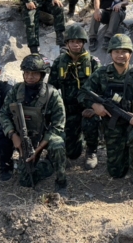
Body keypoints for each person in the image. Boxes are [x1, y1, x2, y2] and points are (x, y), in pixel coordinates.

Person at [78, 34, 133, 192]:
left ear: (130, 54)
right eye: (116, 51)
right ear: (111, 53)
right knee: (116, 173)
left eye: (124, 51)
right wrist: (95, 105)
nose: (120, 55)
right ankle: (126, 157)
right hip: (113, 126)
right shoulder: (102, 73)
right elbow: (82, 93)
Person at [0, 54, 68, 195]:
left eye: (34, 73)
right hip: (25, 137)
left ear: (42, 75)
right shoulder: (16, 91)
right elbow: (3, 114)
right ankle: (47, 165)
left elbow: (58, 124)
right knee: (26, 180)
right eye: (27, 73)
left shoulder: (51, 94)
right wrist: (13, 135)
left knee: (57, 144)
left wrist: (40, 148)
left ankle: (61, 182)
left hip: (46, 135)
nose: (30, 76)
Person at [48, 25, 101, 170]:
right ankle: (78, 142)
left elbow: (101, 89)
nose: (76, 44)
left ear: (83, 43)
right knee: (72, 154)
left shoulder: (93, 62)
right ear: (67, 43)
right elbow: (51, 89)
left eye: (79, 41)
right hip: (68, 110)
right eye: (72, 41)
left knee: (92, 122)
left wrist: (95, 108)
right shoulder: (59, 62)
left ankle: (91, 151)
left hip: (88, 109)